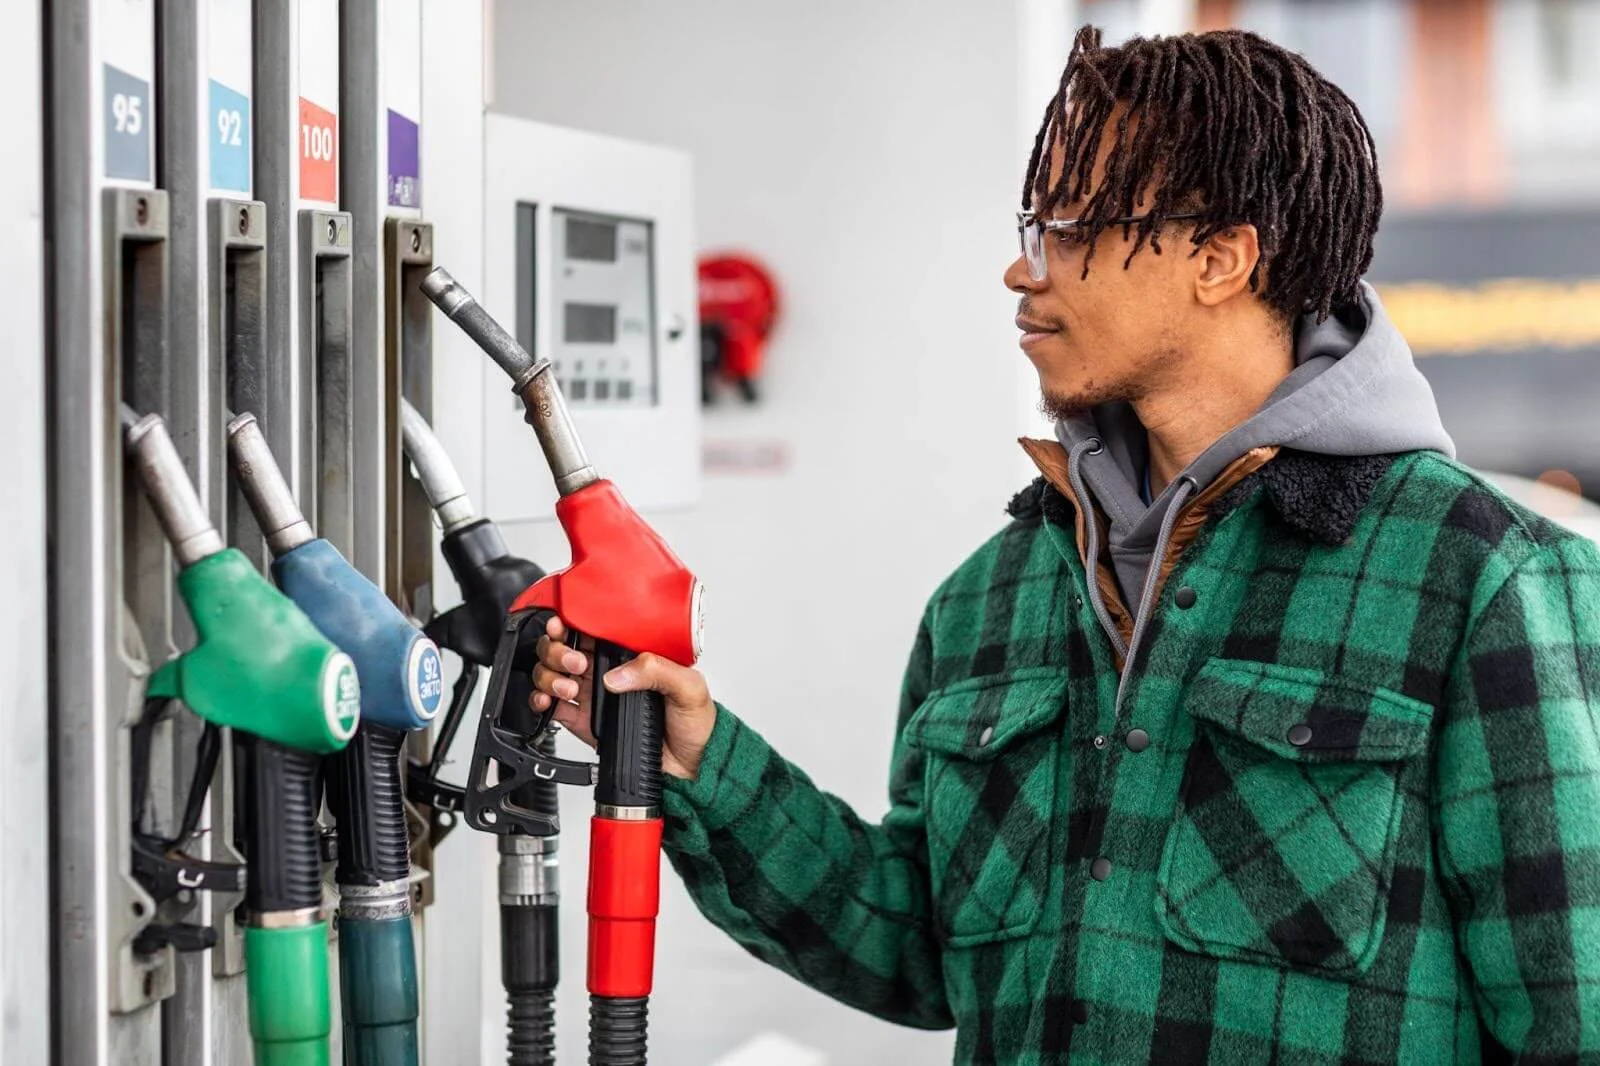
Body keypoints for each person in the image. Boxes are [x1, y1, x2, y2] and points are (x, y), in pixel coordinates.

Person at [530, 24, 1600, 1065]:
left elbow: (1576, 1018)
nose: (1021, 270)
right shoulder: (991, 596)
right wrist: (699, 758)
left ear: (1221, 258)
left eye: (1072, 229)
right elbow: (916, 949)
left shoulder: (1482, 578)